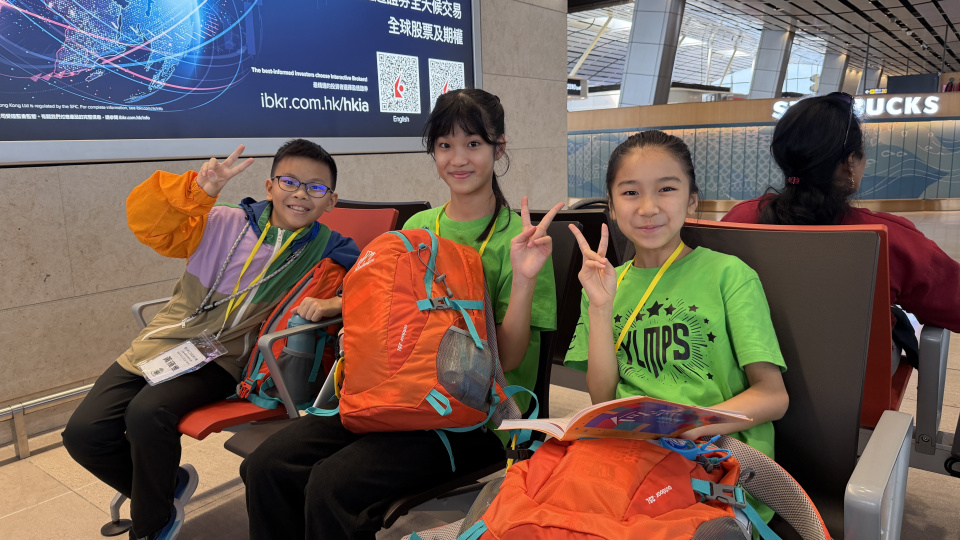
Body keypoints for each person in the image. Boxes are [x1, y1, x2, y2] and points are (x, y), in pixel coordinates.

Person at [240, 88, 562, 540]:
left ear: (499, 147)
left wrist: (525, 278)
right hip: (391, 394)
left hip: (475, 417)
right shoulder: (416, 228)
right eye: (444, 145)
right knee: (267, 466)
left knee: (333, 488)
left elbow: (507, 360)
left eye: (473, 143)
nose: (458, 158)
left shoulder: (522, 242)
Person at [62, 139, 359, 540]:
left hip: (225, 357)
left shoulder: (330, 246)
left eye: (316, 187)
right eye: (289, 181)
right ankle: (165, 486)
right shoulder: (219, 220)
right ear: (270, 186)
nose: (301, 194)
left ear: (332, 200)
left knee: (147, 413)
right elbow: (151, 227)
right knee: (83, 434)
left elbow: (373, 281)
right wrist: (196, 192)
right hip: (161, 343)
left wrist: (335, 302)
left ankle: (151, 525)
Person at [564, 130, 789, 524]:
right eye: (630, 193)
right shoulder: (605, 284)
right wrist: (600, 307)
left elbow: (773, 396)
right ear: (612, 207)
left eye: (666, 189)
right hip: (630, 458)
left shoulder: (729, 276)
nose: (648, 207)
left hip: (715, 462)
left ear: (692, 199)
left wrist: (694, 424)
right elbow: (602, 398)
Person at [722, 93, 960, 359]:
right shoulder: (888, 239)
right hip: (857, 381)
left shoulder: (738, 221)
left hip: (747, 373)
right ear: (849, 162)